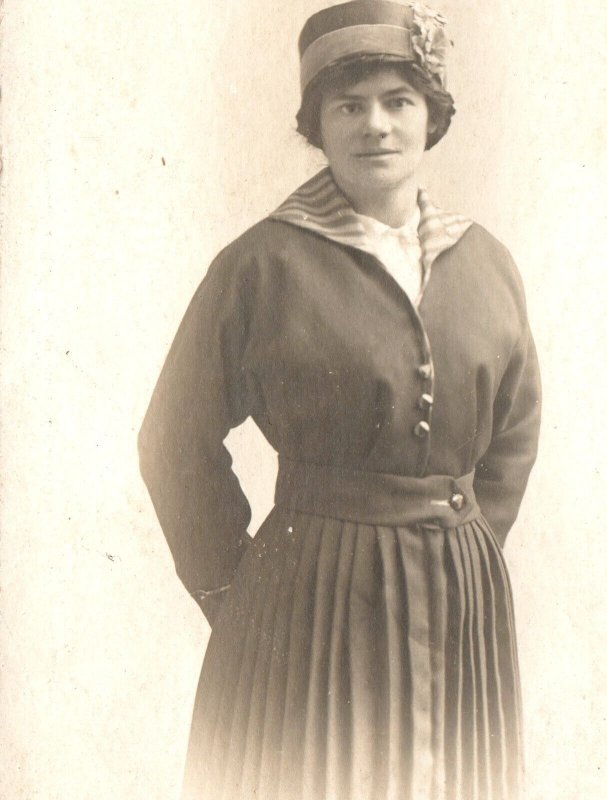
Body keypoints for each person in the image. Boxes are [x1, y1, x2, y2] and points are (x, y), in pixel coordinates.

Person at [138, 2, 542, 798]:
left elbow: (515, 426)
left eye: (399, 101)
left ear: (432, 118)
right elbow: (173, 439)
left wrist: (468, 544)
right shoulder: (261, 264)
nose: (376, 126)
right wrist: (234, 588)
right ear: (316, 125)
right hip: (310, 598)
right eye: (347, 106)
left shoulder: (486, 261)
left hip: (458, 600)